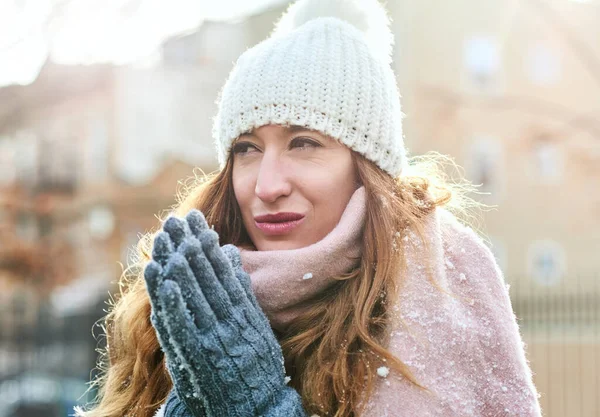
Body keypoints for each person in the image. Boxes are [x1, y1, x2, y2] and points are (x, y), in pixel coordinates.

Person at [76, 0, 543, 416]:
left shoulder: (446, 291)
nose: (268, 184)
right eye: (247, 149)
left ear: (367, 167)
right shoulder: (186, 300)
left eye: (304, 142)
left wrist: (258, 408)